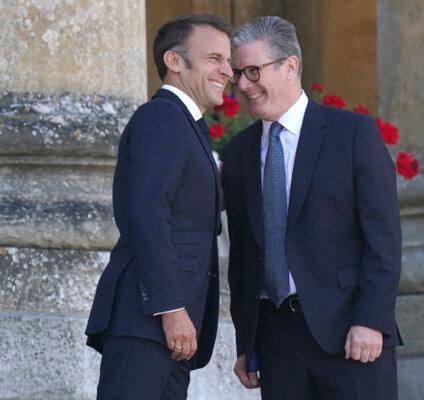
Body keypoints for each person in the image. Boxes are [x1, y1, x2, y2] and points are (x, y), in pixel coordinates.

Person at [221, 15, 402, 400]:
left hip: (350, 335)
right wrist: (245, 341)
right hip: (276, 343)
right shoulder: (238, 154)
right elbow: (243, 259)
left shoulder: (352, 135)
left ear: (291, 65)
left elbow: (383, 239)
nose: (242, 85)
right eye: (237, 74)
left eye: (253, 71)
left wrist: (371, 320)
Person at [85, 14, 233, 399]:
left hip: (170, 330)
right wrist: (170, 308)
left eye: (228, 60)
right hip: (148, 320)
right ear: (175, 61)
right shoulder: (163, 117)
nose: (228, 71)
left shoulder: (186, 124)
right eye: (215, 58)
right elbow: (147, 213)